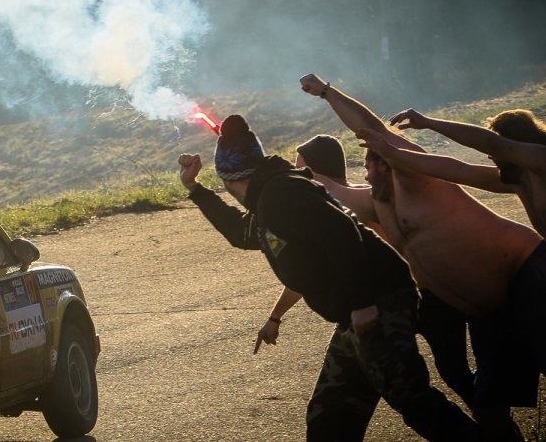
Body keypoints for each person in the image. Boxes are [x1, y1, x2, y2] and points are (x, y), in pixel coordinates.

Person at [179, 114, 480, 440]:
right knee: (330, 418)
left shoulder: (282, 193)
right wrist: (194, 188)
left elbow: (342, 232)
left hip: (379, 304)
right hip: (356, 316)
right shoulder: (270, 198)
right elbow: (241, 232)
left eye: (226, 185)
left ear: (236, 179)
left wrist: (363, 304)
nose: (229, 192)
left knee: (415, 402)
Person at [300, 73, 545, 438]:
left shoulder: (416, 177)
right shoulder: (376, 204)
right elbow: (324, 192)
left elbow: (371, 127)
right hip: (483, 302)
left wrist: (326, 92)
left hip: (524, 274)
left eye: (370, 163)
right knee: (487, 398)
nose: (364, 173)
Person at [256, 134, 478, 413]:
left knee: (447, 375)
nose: (294, 172)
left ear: (314, 170)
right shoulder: (333, 203)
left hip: (421, 297)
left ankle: (495, 429)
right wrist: (275, 316)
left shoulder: (360, 199)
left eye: (300, 167)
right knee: (420, 378)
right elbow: (307, 277)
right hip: (391, 300)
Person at [378, 107, 546, 238]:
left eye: (496, 152)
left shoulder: (541, 160)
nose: (489, 156)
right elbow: (457, 170)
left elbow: (491, 143)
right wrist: (393, 153)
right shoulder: (518, 180)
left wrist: (429, 122)